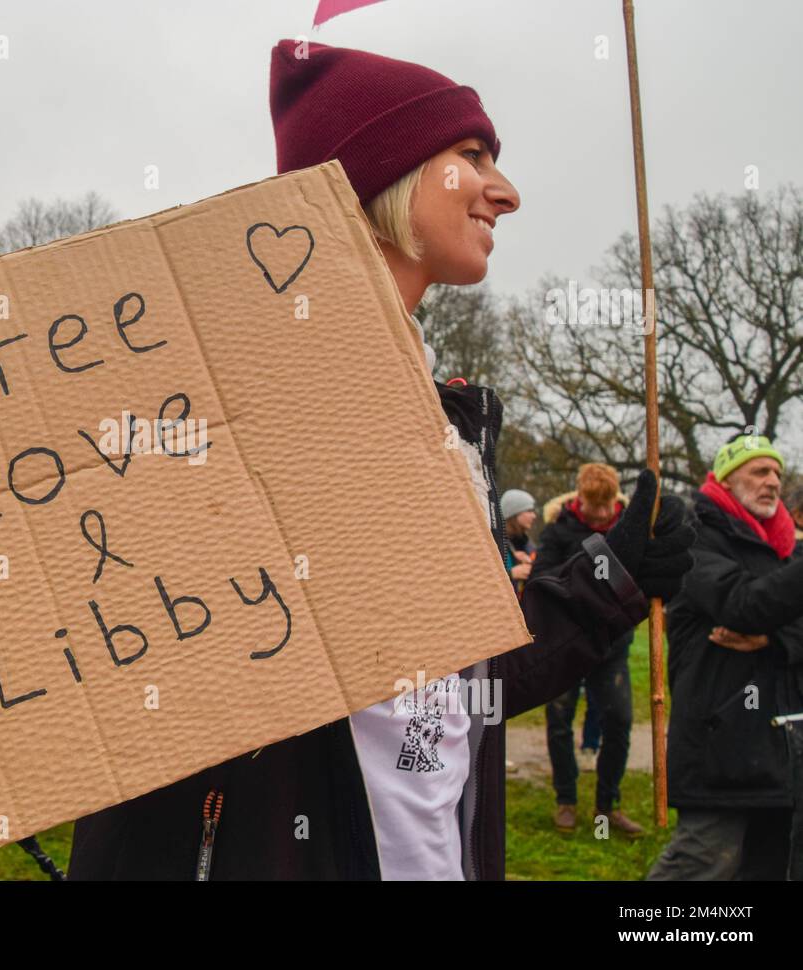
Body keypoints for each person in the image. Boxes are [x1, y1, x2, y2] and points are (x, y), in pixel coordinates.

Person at [63, 41, 695, 880]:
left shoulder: (448, 417)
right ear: (382, 178)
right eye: (470, 156)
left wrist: (612, 579)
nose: (506, 193)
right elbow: (105, 658)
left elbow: (449, 688)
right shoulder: (213, 400)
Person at [648, 434, 803, 880]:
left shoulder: (787, 546)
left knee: (770, 866)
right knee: (703, 862)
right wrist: (772, 623)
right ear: (728, 480)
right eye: (759, 471)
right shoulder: (694, 538)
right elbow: (742, 606)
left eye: (777, 472)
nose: (772, 481)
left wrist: (775, 640)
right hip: (721, 739)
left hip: (783, 741)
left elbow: (766, 618)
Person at [532, 463, 643, 835]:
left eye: (606, 504)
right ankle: (566, 799)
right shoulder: (559, 530)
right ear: (580, 497)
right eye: (593, 504)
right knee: (560, 720)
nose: (599, 512)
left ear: (615, 499)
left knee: (619, 720)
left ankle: (606, 806)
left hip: (612, 645)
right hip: (566, 644)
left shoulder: (630, 530)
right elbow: (541, 580)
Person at [500, 488, 537, 590]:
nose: (534, 516)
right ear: (513, 514)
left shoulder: (529, 546)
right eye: (529, 511)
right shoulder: (495, 543)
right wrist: (510, 574)